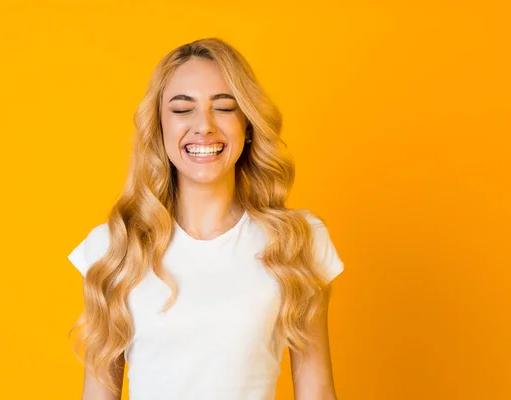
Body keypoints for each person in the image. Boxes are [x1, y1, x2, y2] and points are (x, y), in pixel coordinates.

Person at [67, 37, 345, 400]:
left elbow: (317, 392)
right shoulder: (114, 246)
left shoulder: (297, 242)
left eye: (225, 107)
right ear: (159, 126)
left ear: (247, 126)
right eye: (182, 110)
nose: (204, 126)